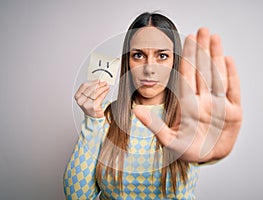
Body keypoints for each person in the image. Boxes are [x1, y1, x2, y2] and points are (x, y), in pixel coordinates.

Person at [63, 12, 242, 199]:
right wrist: (92, 121)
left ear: (175, 62)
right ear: (127, 61)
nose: (149, 68)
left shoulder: (190, 117)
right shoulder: (105, 116)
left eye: (162, 56)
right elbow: (78, 196)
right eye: (139, 55)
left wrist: (209, 149)